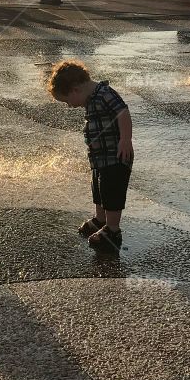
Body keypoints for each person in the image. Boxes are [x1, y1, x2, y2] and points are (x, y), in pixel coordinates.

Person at [48, 59, 133, 251]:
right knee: (99, 189)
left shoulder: (104, 94)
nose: (69, 106)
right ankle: (100, 219)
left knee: (112, 192)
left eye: (67, 101)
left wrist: (125, 139)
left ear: (75, 89)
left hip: (115, 156)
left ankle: (112, 230)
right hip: (101, 158)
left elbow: (123, 112)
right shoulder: (91, 98)